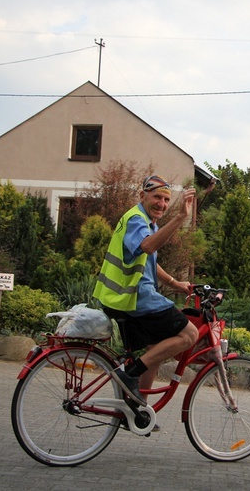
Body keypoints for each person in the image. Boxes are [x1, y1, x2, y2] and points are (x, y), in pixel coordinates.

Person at [93, 175, 199, 408]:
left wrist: (174, 283)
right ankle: (129, 374)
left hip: (122, 297)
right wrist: (181, 216)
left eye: (166, 199)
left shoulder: (147, 222)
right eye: (156, 197)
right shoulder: (136, 220)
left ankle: (137, 407)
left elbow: (147, 257)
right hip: (130, 296)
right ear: (142, 196)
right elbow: (148, 246)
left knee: (155, 348)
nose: (161, 204)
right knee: (190, 335)